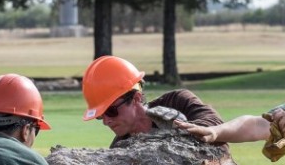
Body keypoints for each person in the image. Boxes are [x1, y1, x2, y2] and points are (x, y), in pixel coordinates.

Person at [80, 55, 223, 146]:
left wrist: (175, 133)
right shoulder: (120, 146)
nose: (106, 121)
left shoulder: (178, 101)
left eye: (111, 111)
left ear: (136, 98)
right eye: (100, 116)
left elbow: (215, 124)